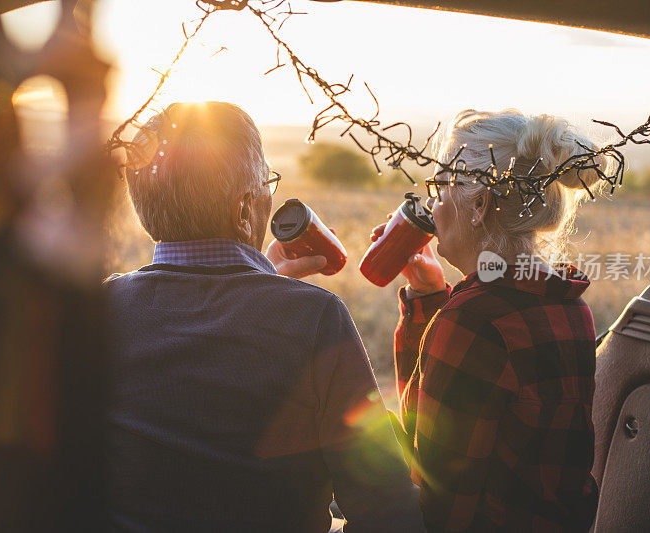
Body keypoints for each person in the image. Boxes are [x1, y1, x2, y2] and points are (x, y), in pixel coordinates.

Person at [103, 101, 424, 533]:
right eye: (266, 188)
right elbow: (387, 509)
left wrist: (262, 279)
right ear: (243, 211)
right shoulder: (313, 318)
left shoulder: (100, 309)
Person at [375, 109, 605, 532]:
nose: (431, 204)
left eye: (440, 187)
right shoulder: (570, 304)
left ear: (479, 205)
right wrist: (430, 295)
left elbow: (434, 489)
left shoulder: (474, 319)